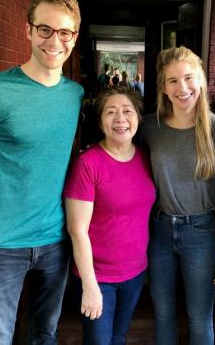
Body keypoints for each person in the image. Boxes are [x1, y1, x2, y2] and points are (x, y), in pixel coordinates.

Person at [0, 0, 83, 343]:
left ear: (75, 37)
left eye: (65, 33)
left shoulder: (75, 95)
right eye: (44, 29)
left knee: (44, 334)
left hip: (55, 241)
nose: (55, 41)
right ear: (28, 30)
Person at [141, 46, 215, 345]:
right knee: (163, 313)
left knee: (199, 317)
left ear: (201, 81)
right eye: (172, 81)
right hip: (159, 230)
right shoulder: (148, 127)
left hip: (203, 232)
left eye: (188, 78)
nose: (182, 88)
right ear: (163, 88)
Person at [64, 86, 156, 345]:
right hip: (98, 276)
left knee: (118, 338)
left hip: (135, 273)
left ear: (138, 118)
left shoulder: (146, 158)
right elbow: (77, 230)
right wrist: (90, 286)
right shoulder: (88, 164)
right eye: (110, 112)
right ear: (100, 121)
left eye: (127, 111)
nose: (120, 119)